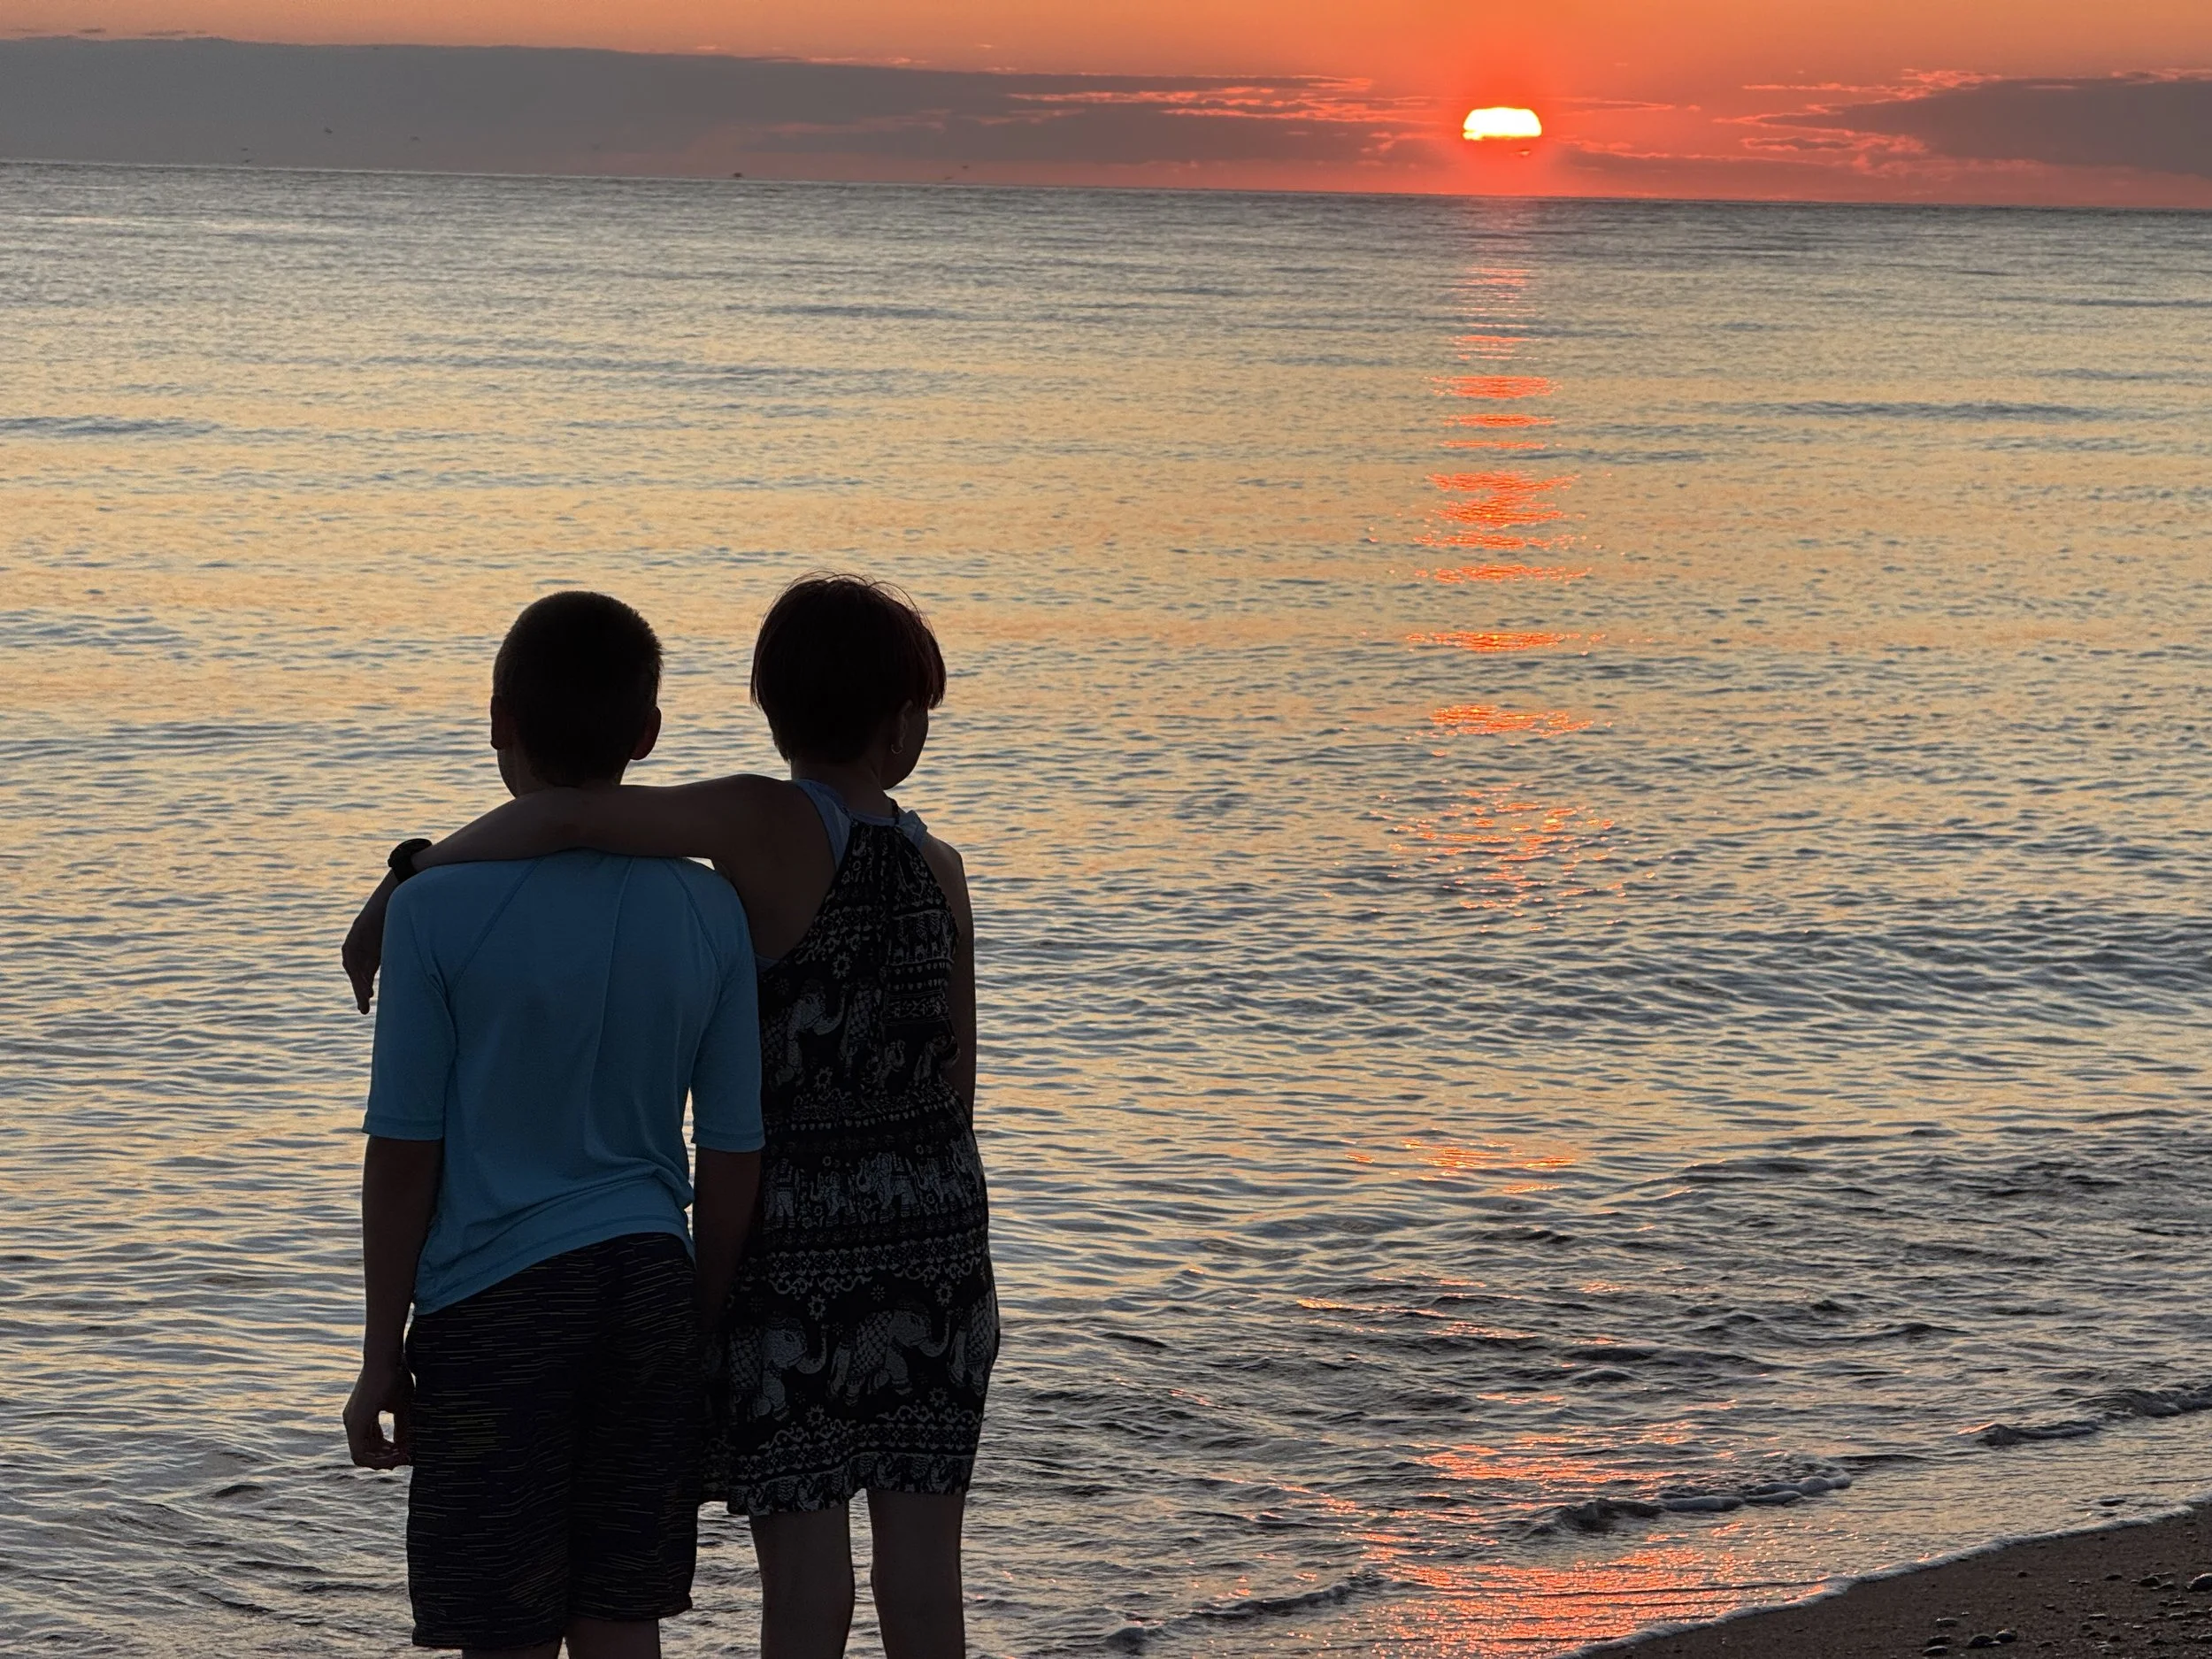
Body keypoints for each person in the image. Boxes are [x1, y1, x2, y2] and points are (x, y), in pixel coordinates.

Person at [344, 574, 997, 1659]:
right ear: (903, 723)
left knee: (807, 1577)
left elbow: (567, 815)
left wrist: (409, 878)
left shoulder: (761, 821)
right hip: (936, 1235)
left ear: (770, 707)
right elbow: (956, 1084)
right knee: (926, 1575)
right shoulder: (941, 869)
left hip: (796, 1245)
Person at [342, 590, 765, 1659]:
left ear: (498, 723)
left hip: (493, 1303)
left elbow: (404, 1153)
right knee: (621, 1618)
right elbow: (732, 1152)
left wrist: (378, 1350)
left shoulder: (430, 912)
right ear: (648, 737)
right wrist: (700, 1314)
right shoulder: (710, 908)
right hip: (646, 1281)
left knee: (502, 1627)